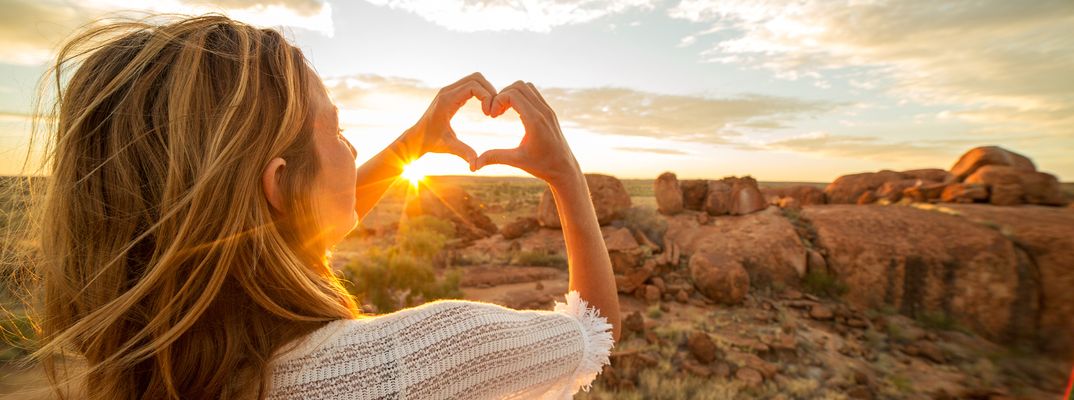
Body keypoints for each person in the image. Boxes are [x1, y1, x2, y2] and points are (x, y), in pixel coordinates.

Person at [21, 14, 620, 400]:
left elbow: (274, 231)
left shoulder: (143, 370)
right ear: (278, 184)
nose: (352, 149)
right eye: (336, 133)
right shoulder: (427, 356)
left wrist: (414, 141)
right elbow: (593, 334)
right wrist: (564, 173)